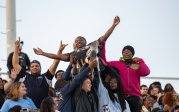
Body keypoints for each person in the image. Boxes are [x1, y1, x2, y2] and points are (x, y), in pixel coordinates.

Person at [33, 16, 120, 63]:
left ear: (85, 42)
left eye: (81, 40)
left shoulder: (91, 45)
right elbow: (57, 56)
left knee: (95, 45)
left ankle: (91, 61)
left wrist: (114, 25)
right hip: (80, 72)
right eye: (76, 40)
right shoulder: (72, 54)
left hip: (92, 66)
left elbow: (104, 37)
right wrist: (43, 53)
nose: (78, 41)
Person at [100, 32, 150, 111]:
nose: (126, 52)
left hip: (135, 98)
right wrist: (103, 45)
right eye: (124, 51)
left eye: (129, 51)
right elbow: (104, 62)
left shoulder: (136, 65)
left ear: (132, 54)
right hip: (121, 96)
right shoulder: (117, 64)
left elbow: (146, 72)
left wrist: (140, 61)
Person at [12, 38, 67, 108]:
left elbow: (55, 64)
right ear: (29, 69)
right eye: (32, 66)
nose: (34, 67)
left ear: (40, 68)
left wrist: (60, 51)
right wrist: (16, 48)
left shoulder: (46, 77)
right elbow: (15, 64)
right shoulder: (25, 76)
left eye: (37, 66)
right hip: (27, 109)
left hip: (43, 109)